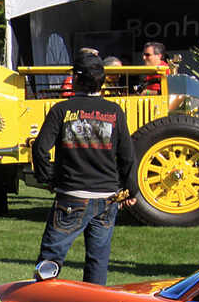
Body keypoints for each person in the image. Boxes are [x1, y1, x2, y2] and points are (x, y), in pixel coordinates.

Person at [32, 52, 138, 286]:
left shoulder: (61, 110)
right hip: (107, 198)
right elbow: (128, 155)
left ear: (76, 79)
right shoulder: (115, 112)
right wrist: (131, 190)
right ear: (102, 80)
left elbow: (40, 148)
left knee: (50, 260)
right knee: (97, 261)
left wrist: (46, 177)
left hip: (71, 197)